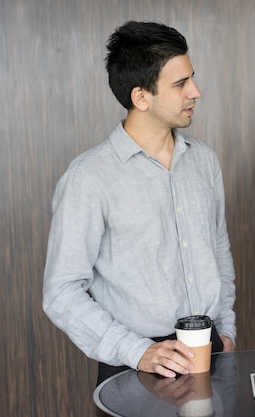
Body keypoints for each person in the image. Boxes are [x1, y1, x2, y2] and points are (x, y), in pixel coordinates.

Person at [43, 21, 236, 386]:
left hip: (211, 352)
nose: (196, 91)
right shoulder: (89, 177)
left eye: (191, 78)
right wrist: (136, 351)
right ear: (141, 97)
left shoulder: (204, 161)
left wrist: (226, 331)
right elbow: (61, 291)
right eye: (180, 84)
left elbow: (220, 255)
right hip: (134, 365)